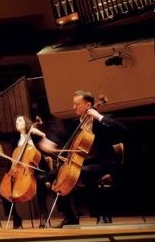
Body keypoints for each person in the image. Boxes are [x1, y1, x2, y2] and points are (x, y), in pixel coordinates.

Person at [39, 90, 126, 227]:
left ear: (88, 105)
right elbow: (65, 139)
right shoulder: (75, 123)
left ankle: (102, 214)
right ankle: (70, 217)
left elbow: (122, 130)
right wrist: (52, 143)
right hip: (80, 162)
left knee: (85, 173)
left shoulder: (104, 119)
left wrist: (99, 117)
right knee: (49, 177)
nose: (74, 107)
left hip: (101, 162)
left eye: (77, 104)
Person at [0, 115, 50, 229]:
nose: (17, 122)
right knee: (4, 189)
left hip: (36, 169)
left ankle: (43, 214)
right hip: (19, 170)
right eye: (16, 121)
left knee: (40, 180)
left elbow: (49, 145)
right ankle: (16, 218)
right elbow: (2, 138)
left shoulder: (35, 135)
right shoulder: (15, 137)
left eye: (19, 120)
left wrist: (42, 135)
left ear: (27, 122)